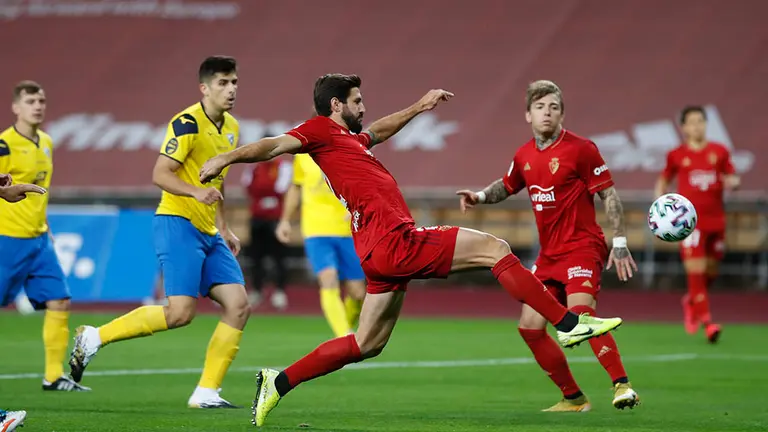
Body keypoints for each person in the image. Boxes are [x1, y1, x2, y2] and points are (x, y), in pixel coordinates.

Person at [199, 73, 624, 426]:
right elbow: (272, 145)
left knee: (367, 344)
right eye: (357, 101)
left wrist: (419, 107)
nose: (363, 107)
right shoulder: (317, 131)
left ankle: (278, 382)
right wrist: (225, 160)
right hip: (394, 240)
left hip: (377, 250)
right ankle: (568, 322)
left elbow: (377, 131)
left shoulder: (348, 140)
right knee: (495, 248)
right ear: (335, 105)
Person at [68, 56, 250, 408]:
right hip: (177, 223)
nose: (231, 90)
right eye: (224, 83)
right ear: (205, 88)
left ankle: (206, 392)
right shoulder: (185, 123)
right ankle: (94, 337)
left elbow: (218, 180)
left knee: (239, 306)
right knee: (180, 313)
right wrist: (196, 192)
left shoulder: (232, 128)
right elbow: (160, 173)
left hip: (208, 230)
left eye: (235, 83)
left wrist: (224, 227)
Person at [458, 80, 640, 411]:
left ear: (562, 114)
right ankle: (574, 398)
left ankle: (622, 386)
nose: (547, 113)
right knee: (529, 327)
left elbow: (609, 194)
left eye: (554, 107)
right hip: (549, 255)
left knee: (582, 316)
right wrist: (480, 196)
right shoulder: (524, 154)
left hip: (583, 248)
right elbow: (509, 184)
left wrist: (621, 242)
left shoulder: (582, 149)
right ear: (528, 114)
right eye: (540, 107)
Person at [0, 81, 88, 392]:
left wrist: (45, 225)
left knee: (60, 300)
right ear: (15, 107)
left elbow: (39, 194)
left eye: (42, 100)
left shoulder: (47, 142)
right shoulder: (5, 145)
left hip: (39, 240)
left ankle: (53, 376)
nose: (38, 106)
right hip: (7, 239)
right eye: (30, 101)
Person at [655, 105, 740, 343]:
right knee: (696, 271)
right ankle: (708, 323)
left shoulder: (719, 151)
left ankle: (692, 300)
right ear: (683, 128)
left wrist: (733, 181)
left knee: (710, 272)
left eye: (700, 121)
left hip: (716, 220)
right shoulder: (677, 155)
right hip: (690, 224)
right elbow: (663, 181)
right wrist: (660, 209)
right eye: (691, 122)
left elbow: (731, 174)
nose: (696, 126)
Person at [275, 151, 366, 337]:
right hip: (316, 229)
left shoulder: (348, 151)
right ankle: (344, 335)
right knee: (328, 278)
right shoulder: (303, 156)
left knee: (358, 293)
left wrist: (358, 207)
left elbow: (364, 184)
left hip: (347, 230)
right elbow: (295, 187)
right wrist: (285, 220)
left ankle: (343, 333)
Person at [241, 154, 292, 309]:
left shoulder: (283, 167)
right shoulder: (253, 167)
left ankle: (280, 291)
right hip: (257, 217)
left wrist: (265, 191)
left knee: (279, 257)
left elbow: (281, 188)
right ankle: (257, 290)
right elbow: (248, 187)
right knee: (256, 257)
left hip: (276, 218)